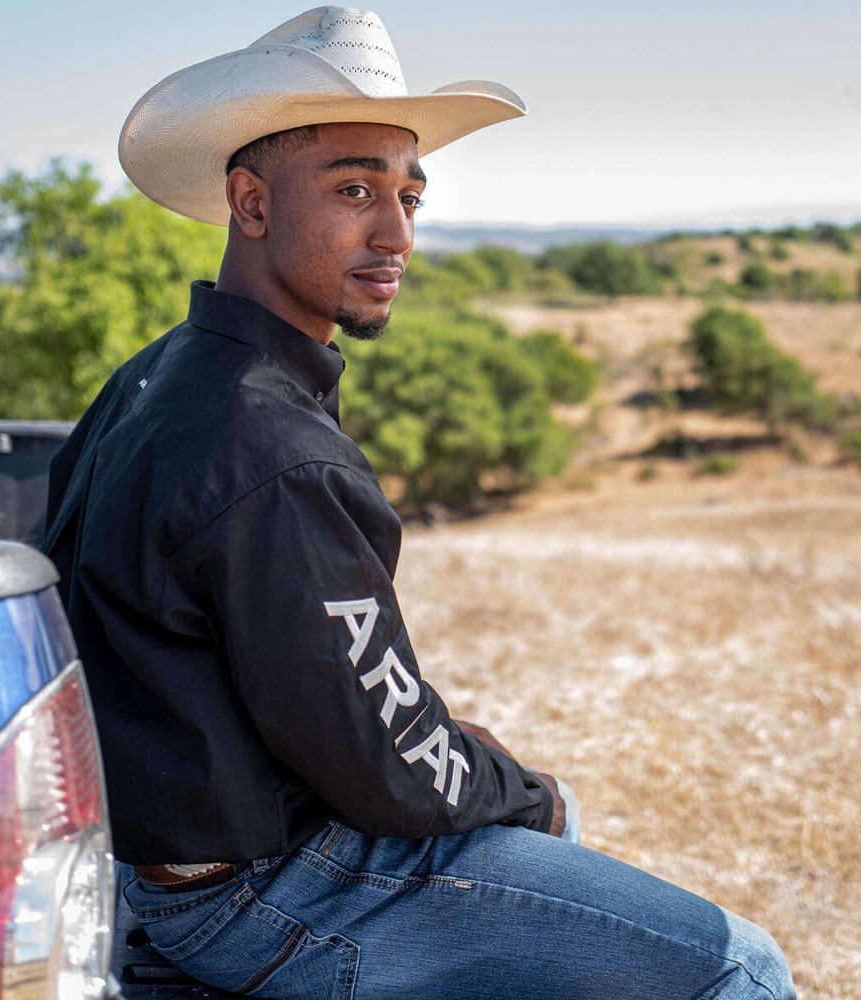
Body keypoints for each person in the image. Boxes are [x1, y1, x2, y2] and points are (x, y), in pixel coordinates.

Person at [44, 7, 795, 998]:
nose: (395, 233)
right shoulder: (271, 449)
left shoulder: (154, 379)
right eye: (353, 189)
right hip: (261, 894)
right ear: (251, 201)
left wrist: (460, 764)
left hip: (169, 866)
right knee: (737, 965)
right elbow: (392, 774)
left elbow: (318, 707)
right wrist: (528, 794)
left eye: (408, 194)